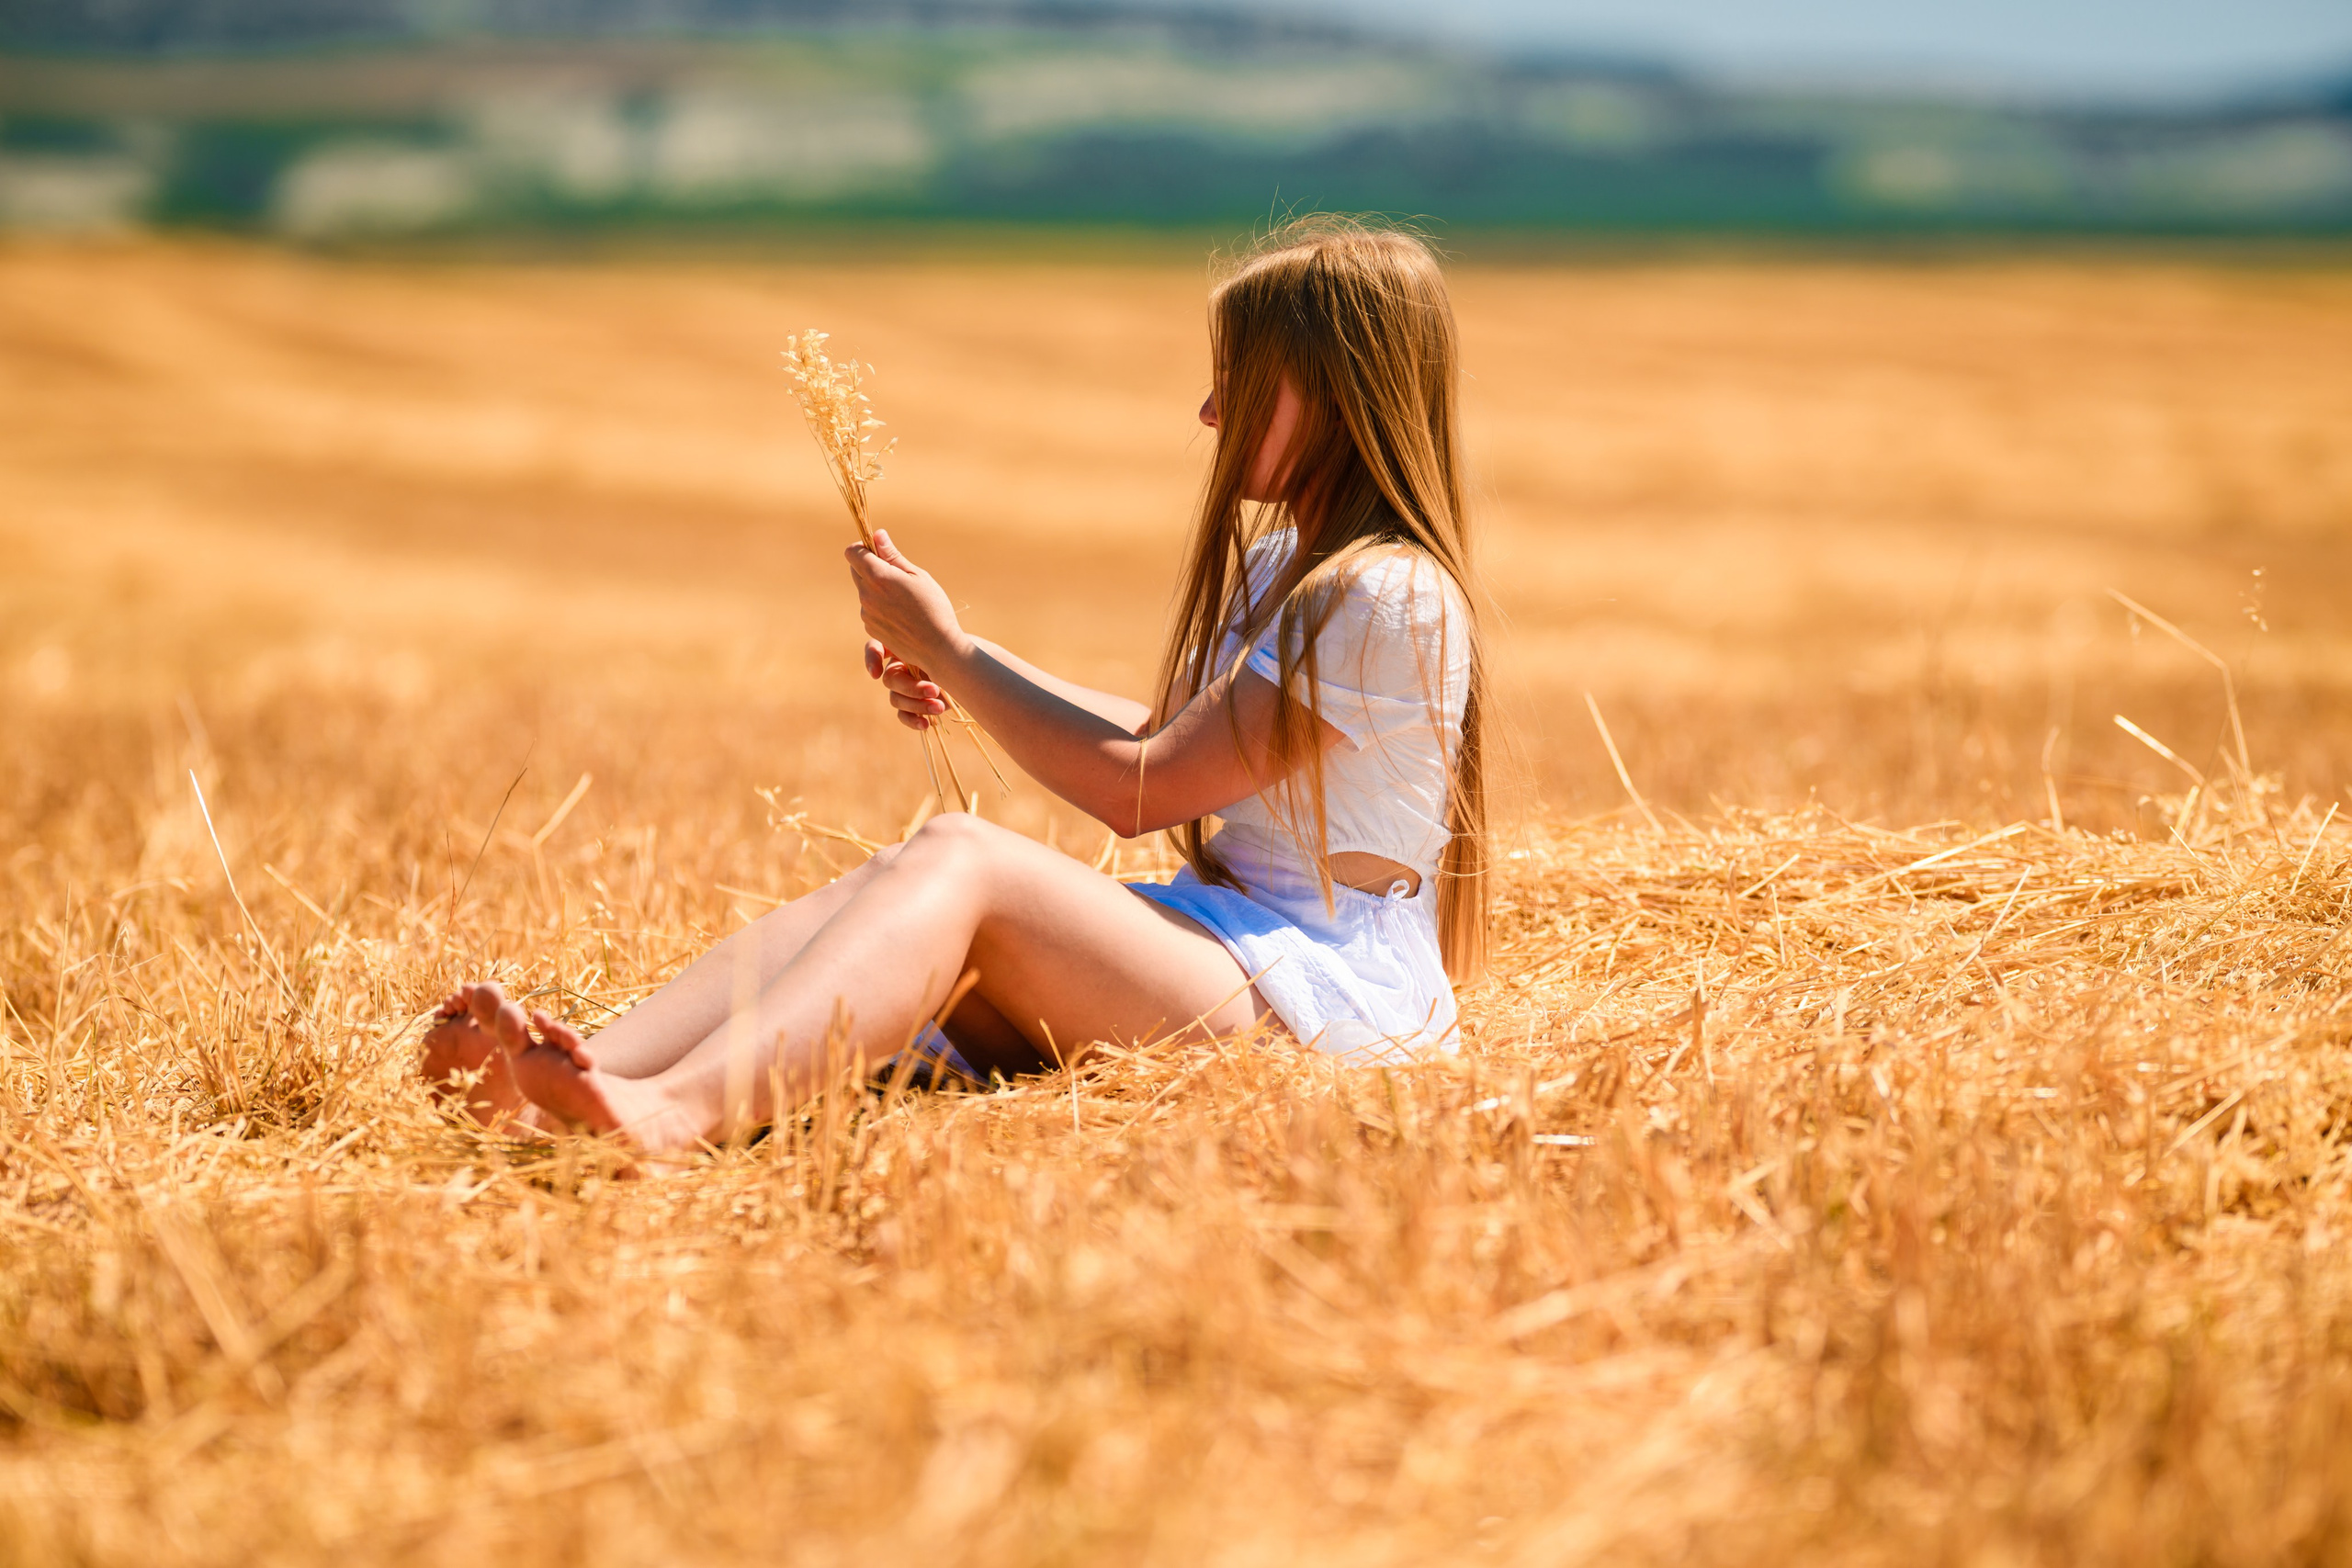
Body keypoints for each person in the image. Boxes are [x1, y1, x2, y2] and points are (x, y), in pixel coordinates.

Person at [420, 216, 1490, 1156]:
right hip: (1235, 950)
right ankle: (575, 1076)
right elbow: (1170, 730)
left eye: (1243, 381)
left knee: (961, 858)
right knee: (891, 882)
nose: (1210, 412)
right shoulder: (1286, 569)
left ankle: (669, 1117)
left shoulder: (1385, 596)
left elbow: (1146, 789)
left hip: (1325, 1003)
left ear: (1342, 392)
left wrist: (961, 661)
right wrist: (954, 652)